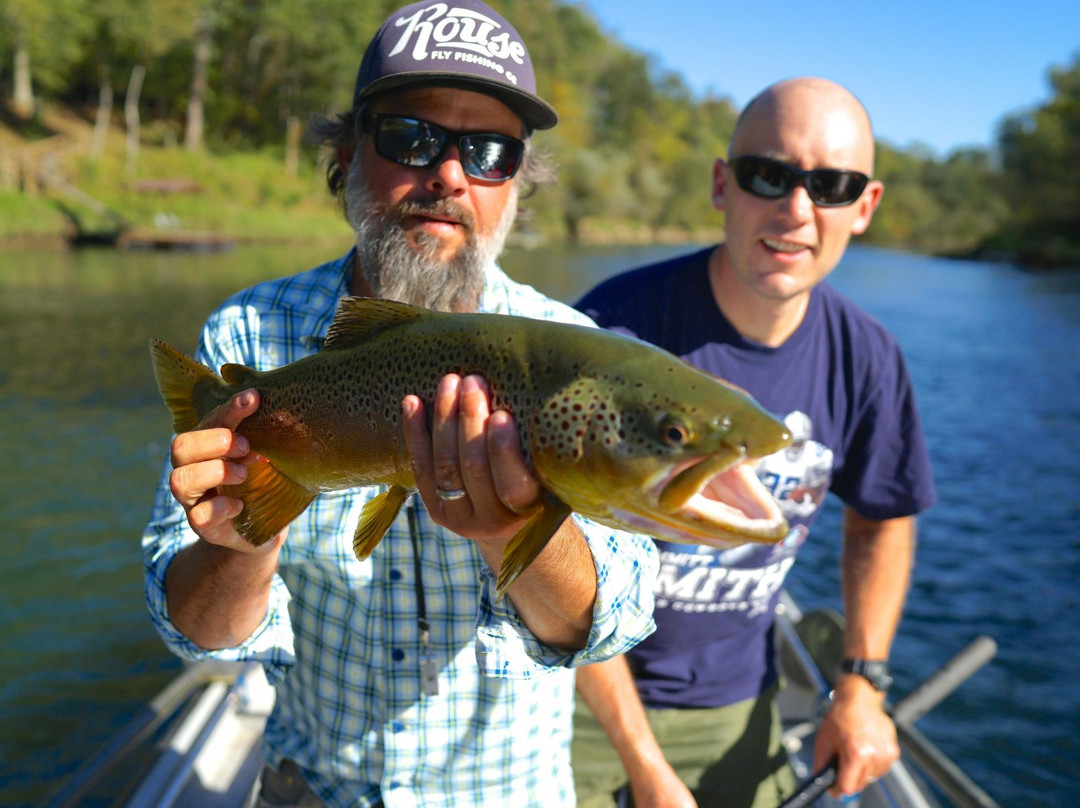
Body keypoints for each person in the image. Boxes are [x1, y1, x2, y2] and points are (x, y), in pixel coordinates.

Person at [141, 3, 658, 806]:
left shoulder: (571, 356)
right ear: (347, 153)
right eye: (411, 137)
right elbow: (198, 635)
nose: (449, 175)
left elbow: (606, 625)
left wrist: (517, 533)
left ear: (517, 184)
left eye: (489, 152)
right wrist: (241, 542)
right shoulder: (248, 334)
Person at [571, 77, 937, 808]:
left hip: (738, 704)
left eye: (831, 185)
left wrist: (862, 683)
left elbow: (882, 520)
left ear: (865, 207)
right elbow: (547, 543)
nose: (796, 209)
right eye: (768, 175)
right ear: (721, 185)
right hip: (576, 695)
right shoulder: (611, 330)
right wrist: (646, 766)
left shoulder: (866, 357)